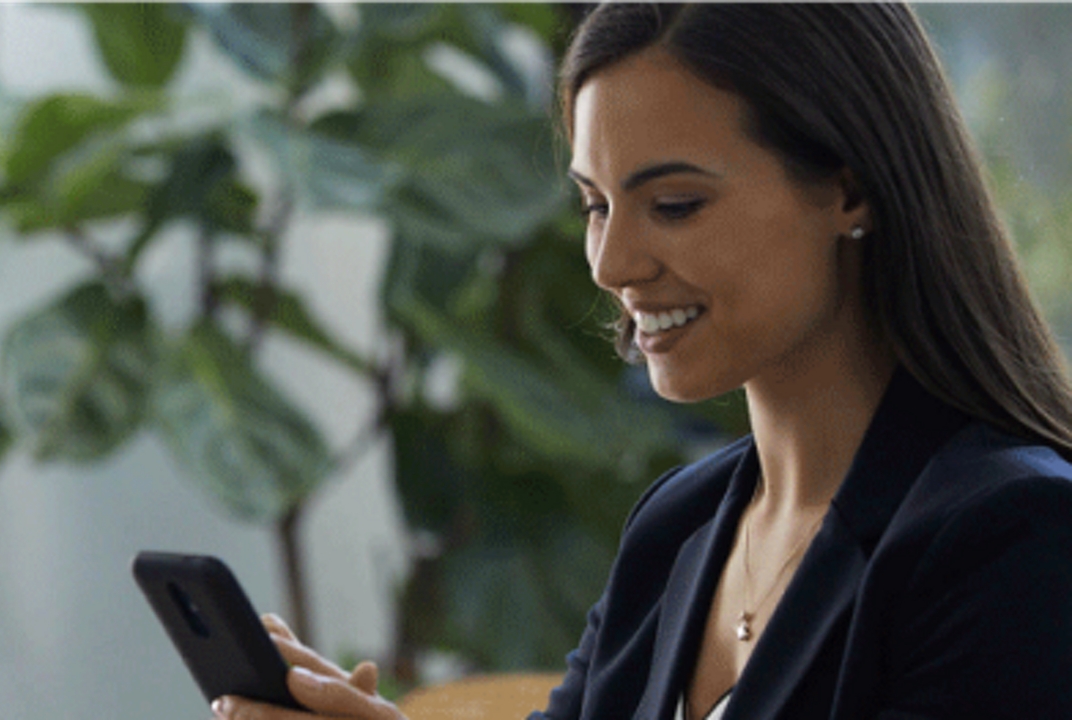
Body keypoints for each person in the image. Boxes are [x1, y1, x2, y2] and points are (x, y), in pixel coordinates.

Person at [209, 4, 1072, 719]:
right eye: (595, 206)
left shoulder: (1014, 535)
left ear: (850, 190)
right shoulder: (680, 527)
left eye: (674, 204)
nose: (612, 264)